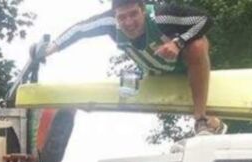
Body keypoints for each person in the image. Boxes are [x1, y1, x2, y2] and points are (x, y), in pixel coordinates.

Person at [43, 0, 225, 135]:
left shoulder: (162, 15)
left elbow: (205, 19)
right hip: (152, 72)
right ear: (115, 16)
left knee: (198, 44)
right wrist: (47, 49)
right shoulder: (109, 22)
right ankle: (216, 124)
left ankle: (201, 120)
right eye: (122, 17)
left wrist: (178, 42)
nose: (129, 23)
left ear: (143, 10)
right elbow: (79, 30)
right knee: (125, 83)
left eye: (133, 14)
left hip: (184, 67)